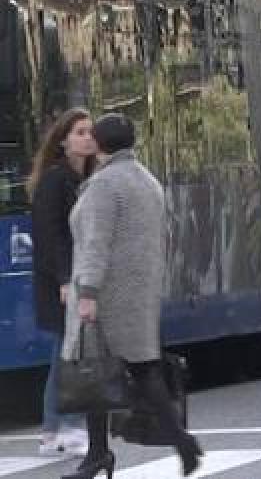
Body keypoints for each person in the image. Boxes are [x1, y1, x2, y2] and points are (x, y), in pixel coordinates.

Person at [62, 114, 203, 479]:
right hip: (139, 293)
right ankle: (115, 452)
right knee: (142, 370)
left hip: (107, 294)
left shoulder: (104, 186)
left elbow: (96, 243)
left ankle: (106, 454)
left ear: (100, 144)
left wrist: (88, 292)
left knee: (97, 375)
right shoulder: (148, 182)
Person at [29, 108, 95, 457]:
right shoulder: (56, 180)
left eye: (90, 131)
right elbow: (51, 233)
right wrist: (64, 279)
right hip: (64, 279)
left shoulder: (88, 177)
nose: (88, 137)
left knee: (67, 353)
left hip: (81, 276)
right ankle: (63, 427)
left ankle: (55, 429)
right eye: (80, 132)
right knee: (67, 354)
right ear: (64, 141)